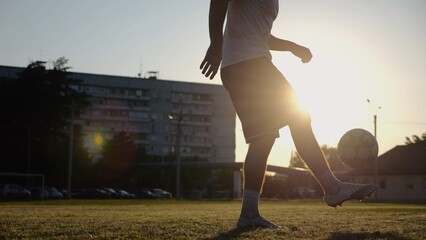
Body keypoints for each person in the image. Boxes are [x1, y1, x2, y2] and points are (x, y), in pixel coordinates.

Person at [200, 0, 377, 229]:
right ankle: (332, 188)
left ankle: (249, 214)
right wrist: (216, 43)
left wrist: (293, 46)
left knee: (262, 139)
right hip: (247, 63)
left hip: (242, 64)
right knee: (299, 116)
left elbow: (262, 35)